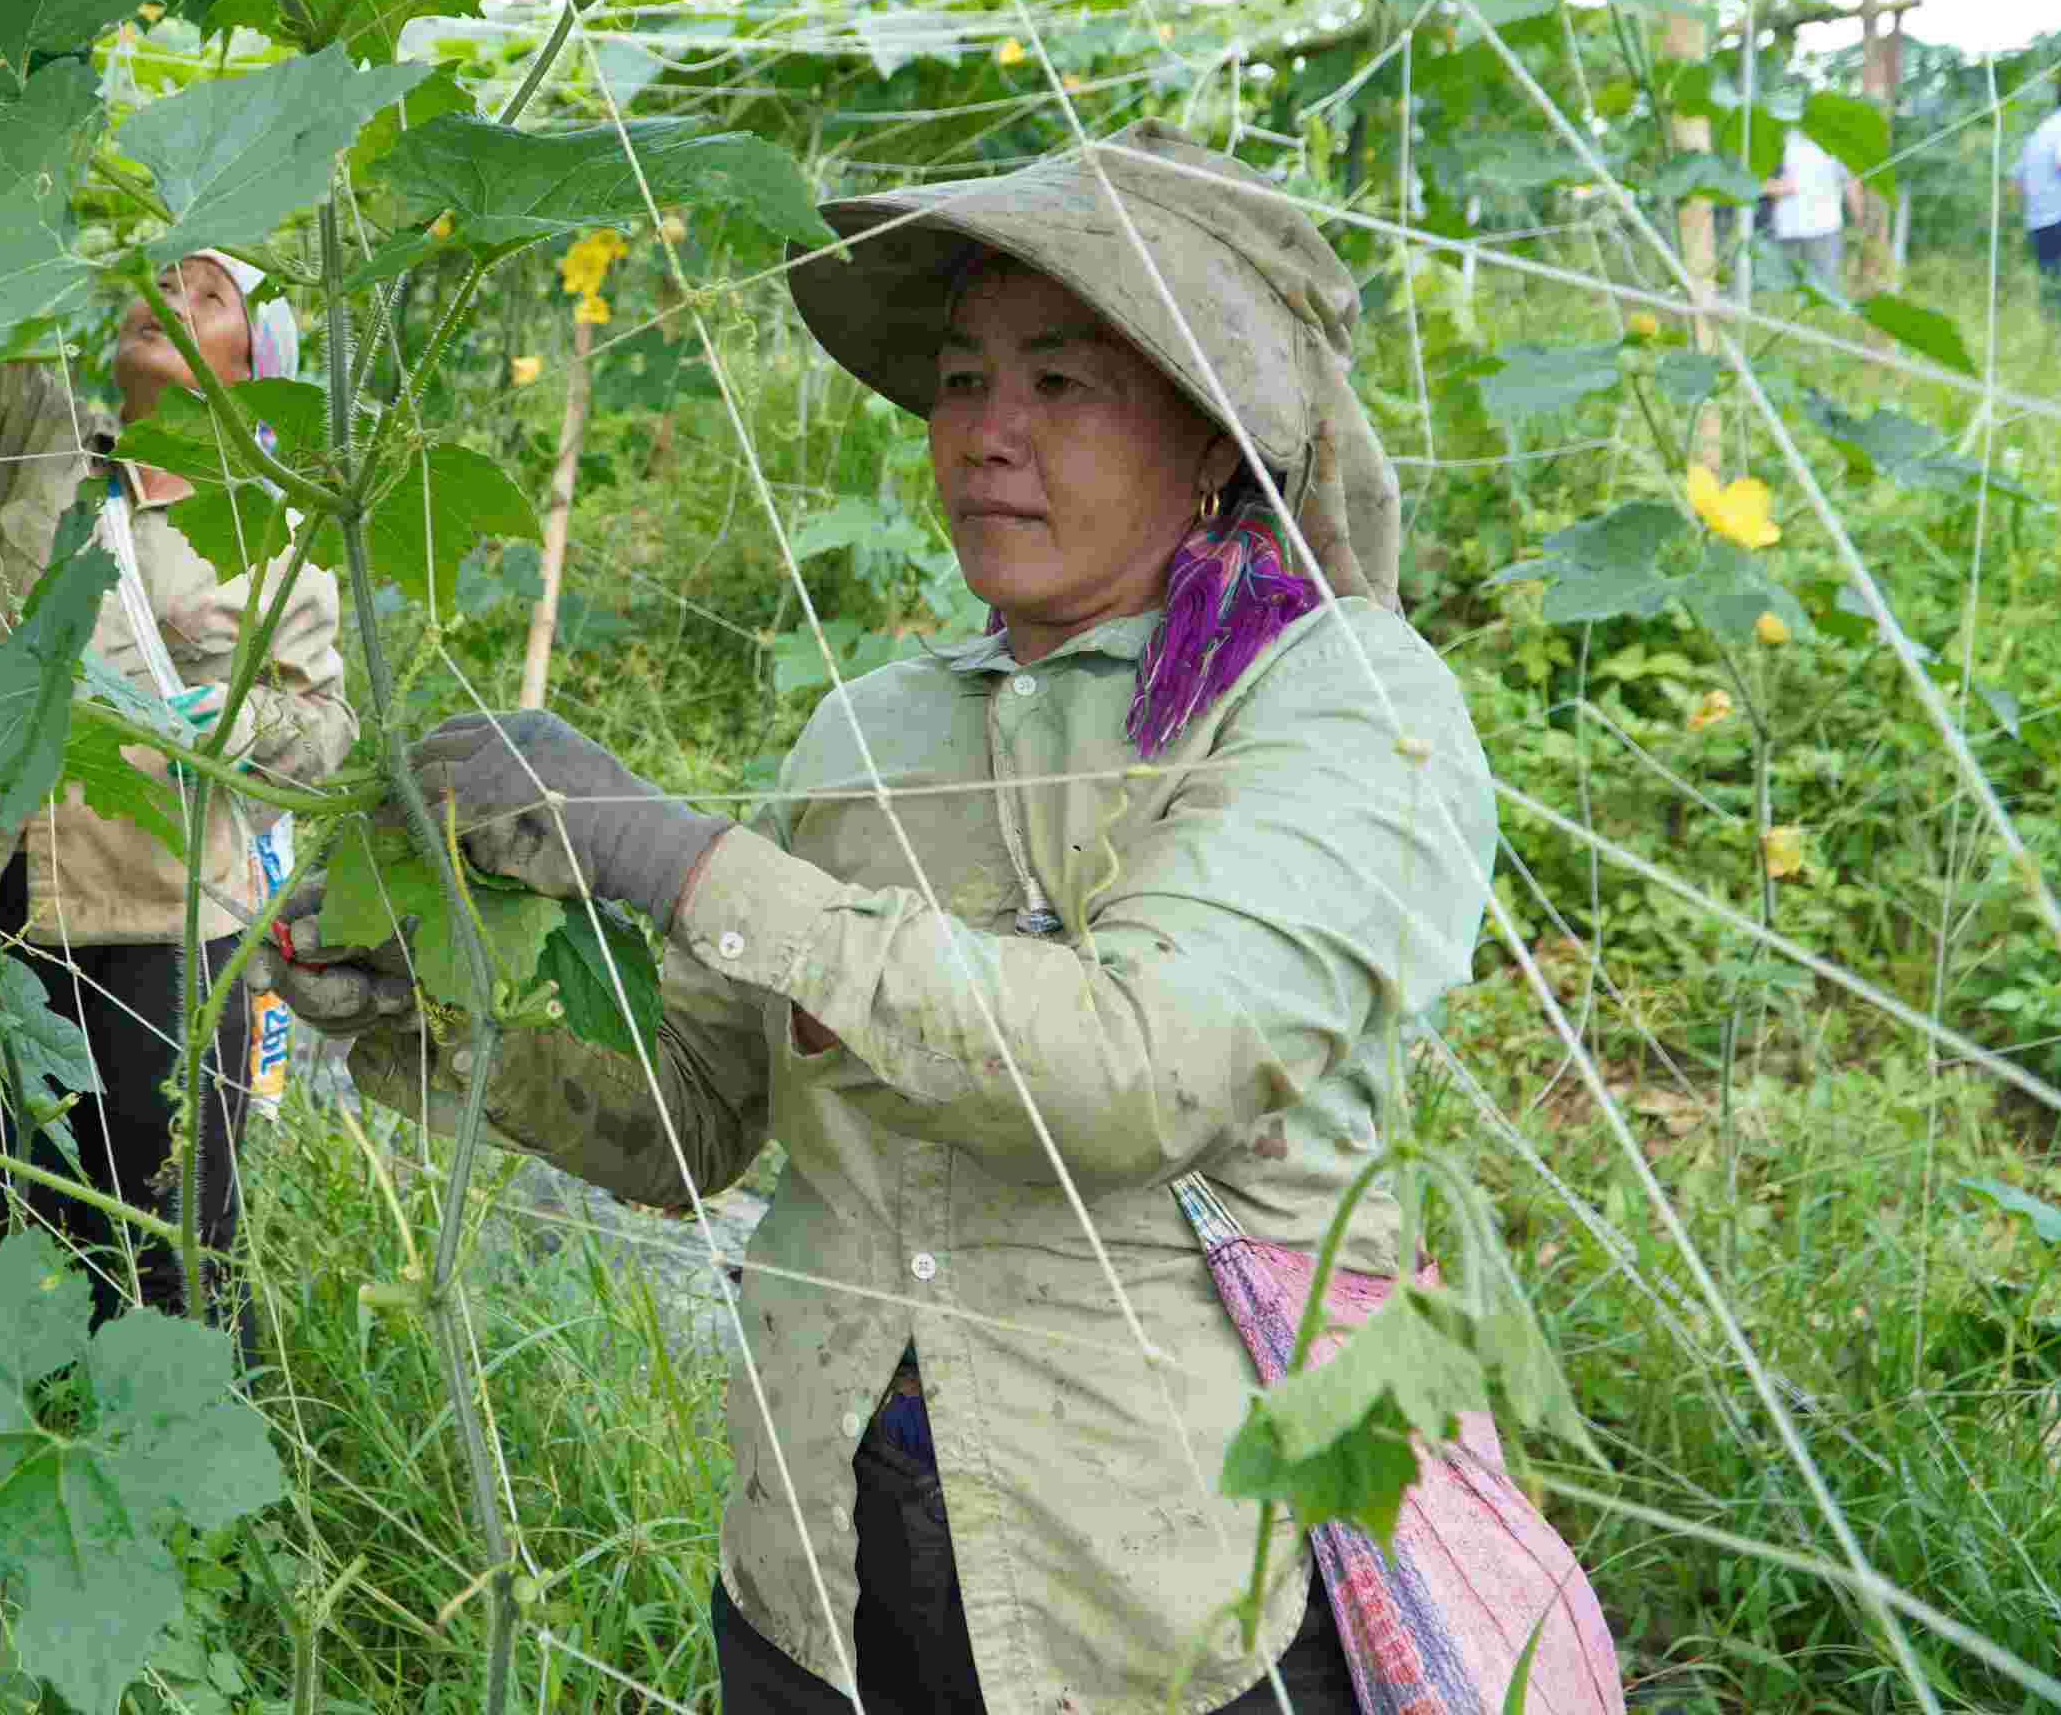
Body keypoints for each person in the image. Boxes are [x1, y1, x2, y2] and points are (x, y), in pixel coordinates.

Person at [260, 126, 1506, 1713]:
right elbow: (695, 1120)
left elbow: (1143, 1069)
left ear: (1213, 435)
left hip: (1163, 1596)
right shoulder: (877, 729)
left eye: (1061, 384)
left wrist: (675, 856)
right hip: (821, 1573)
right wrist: (429, 1015)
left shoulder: (1338, 701)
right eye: (963, 381)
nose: (986, 435)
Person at [0, 251, 356, 1328]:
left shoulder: (276, 532)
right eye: (161, 279)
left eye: (210, 295)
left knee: (167, 1253)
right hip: (6, 903)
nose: (170, 298)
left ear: (248, 365)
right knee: (19, 1232)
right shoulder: (37, 447)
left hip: (166, 927)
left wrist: (237, 721)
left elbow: (327, 726)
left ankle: (186, 1468)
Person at [1763, 120, 1863, 291]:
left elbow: (1851, 183)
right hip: (1786, 229)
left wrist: (1859, 218)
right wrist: (1774, 187)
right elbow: (1765, 179)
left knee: (1823, 291)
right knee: (1784, 290)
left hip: (1823, 228)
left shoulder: (1836, 141)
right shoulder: (1786, 138)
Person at [2005, 75, 2061, 318]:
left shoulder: (2043, 128)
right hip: (2060, 218)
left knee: (2053, 295)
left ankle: (2050, 347)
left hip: (2039, 223)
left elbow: (2016, 181)